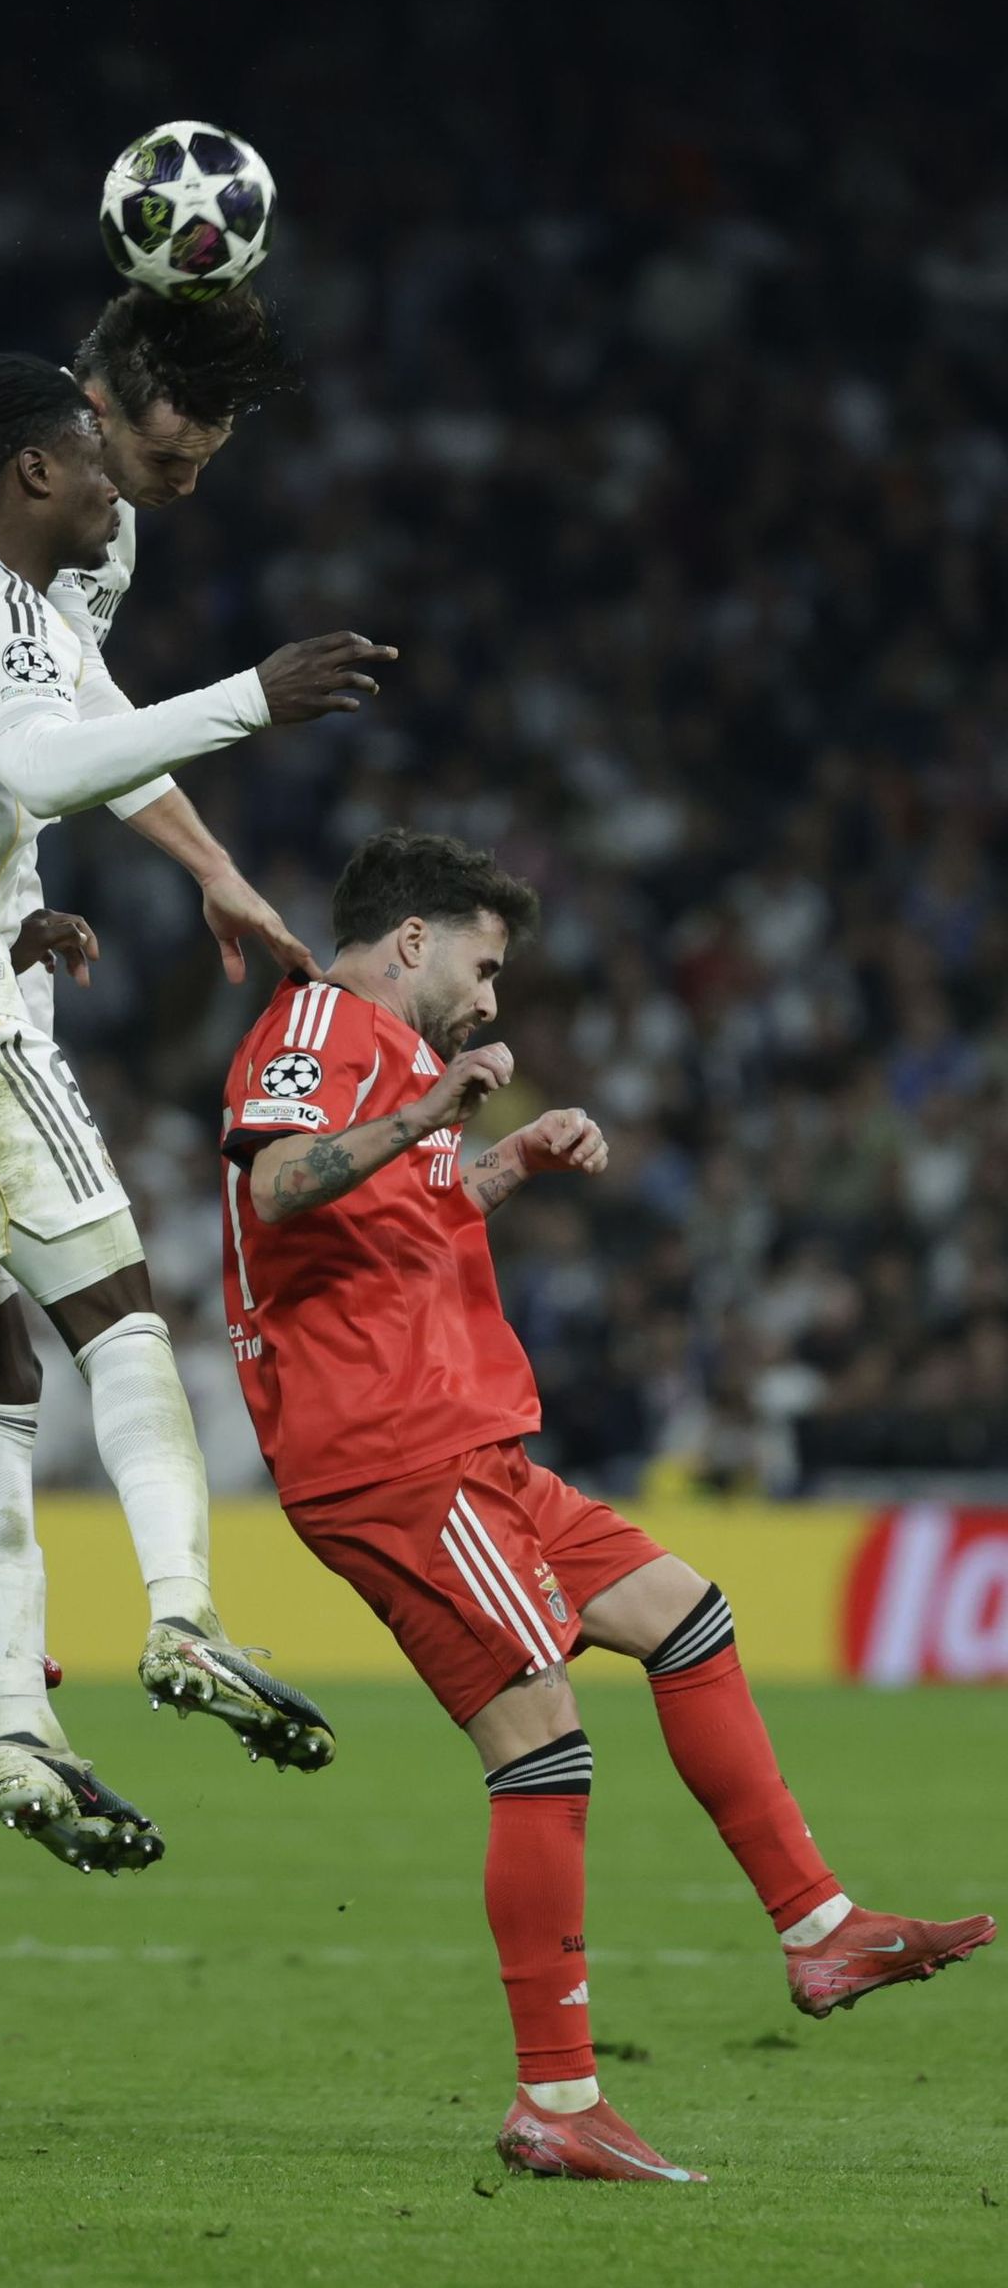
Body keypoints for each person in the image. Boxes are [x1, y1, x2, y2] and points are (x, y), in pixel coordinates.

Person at [219, 825, 995, 2182]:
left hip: (474, 1443)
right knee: (545, 1748)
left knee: (688, 1616)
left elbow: (392, 1212)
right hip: (392, 1454)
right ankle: (557, 2099)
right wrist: (433, 1108)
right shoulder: (320, 1028)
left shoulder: (395, 1057)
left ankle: (819, 1929)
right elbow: (278, 1185)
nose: (491, 999)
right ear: (415, 940)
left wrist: (502, 1166)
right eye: (485, 963)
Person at [0, 350, 388, 1871]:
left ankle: (21, 1740)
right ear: (34, 474)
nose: (116, 491)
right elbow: (45, 755)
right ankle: (183, 1622)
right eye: (92, 466)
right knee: (119, 1318)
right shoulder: (2, 607)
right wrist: (250, 699)